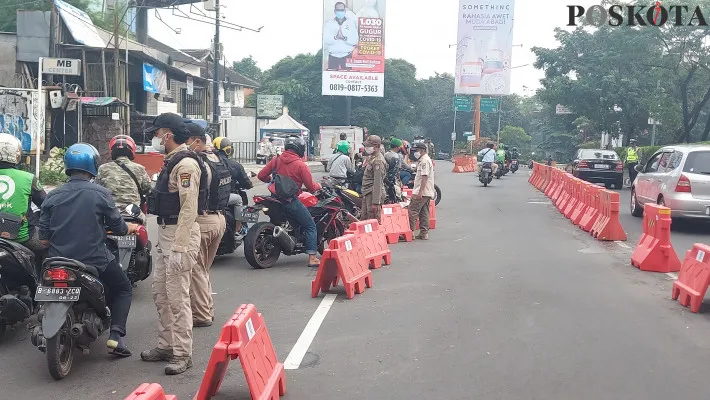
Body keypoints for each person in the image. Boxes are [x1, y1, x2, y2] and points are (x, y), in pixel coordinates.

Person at [38, 143, 139, 357]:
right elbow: (119, 227)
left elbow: (44, 239)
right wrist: (128, 227)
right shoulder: (100, 193)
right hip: (94, 259)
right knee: (123, 288)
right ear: (92, 165)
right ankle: (116, 337)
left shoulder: (53, 195)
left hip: (58, 260)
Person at [141, 112, 204, 375]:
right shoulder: (171, 162)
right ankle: (166, 345)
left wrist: (179, 246)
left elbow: (189, 207)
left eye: (158, 133)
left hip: (180, 234)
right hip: (167, 233)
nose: (155, 137)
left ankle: (182, 353)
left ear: (167, 134)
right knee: (161, 294)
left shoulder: (186, 165)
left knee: (178, 298)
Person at [185, 123, 228, 328]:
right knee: (203, 269)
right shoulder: (218, 159)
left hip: (203, 220)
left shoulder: (199, 163)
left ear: (198, 141)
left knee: (197, 270)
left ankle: (201, 314)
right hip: (219, 218)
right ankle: (207, 308)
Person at [257, 135, 321, 267]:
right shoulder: (301, 166)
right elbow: (310, 187)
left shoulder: (276, 160)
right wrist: (319, 186)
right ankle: (312, 258)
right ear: (300, 149)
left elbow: (261, 175)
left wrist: (272, 181)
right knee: (310, 226)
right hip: (290, 201)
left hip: (273, 199)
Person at [0, 133, 47, 255]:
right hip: (21, 238)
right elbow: (45, 204)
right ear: (16, 154)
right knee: (47, 248)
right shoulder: (28, 178)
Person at [96, 135, 152, 221]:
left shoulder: (103, 168)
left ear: (112, 150)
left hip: (110, 213)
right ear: (132, 149)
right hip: (133, 213)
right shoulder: (139, 168)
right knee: (142, 227)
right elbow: (148, 189)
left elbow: (97, 190)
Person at [408, 142, 435, 240]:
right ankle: (424, 233)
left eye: (417, 150)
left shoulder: (424, 161)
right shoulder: (424, 160)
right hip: (426, 192)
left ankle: (410, 233)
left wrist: (420, 192)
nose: (416, 152)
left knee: (412, 211)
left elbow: (424, 177)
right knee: (424, 212)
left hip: (422, 191)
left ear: (422, 150)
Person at [323, 2, 358, 71]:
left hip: (347, 56)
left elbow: (355, 40)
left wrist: (344, 38)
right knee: (332, 78)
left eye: (342, 10)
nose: (340, 12)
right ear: (335, 11)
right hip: (333, 56)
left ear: (345, 11)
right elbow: (325, 40)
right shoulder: (329, 24)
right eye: (338, 10)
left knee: (347, 79)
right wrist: (335, 37)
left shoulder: (350, 23)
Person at [361, 135, 386, 222]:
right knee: (365, 219)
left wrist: (376, 202)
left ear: (377, 146)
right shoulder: (372, 158)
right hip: (368, 192)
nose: (366, 148)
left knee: (373, 221)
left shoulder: (378, 161)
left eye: (369, 146)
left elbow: (378, 183)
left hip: (373, 193)